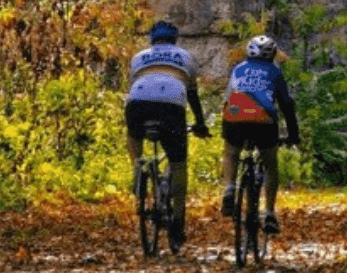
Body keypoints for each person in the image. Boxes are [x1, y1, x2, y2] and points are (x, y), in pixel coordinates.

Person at [125, 20, 210, 250]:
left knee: (133, 134)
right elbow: (192, 95)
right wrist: (200, 123)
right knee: (179, 163)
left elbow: (133, 86)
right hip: (171, 105)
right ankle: (178, 225)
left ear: (152, 39)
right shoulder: (185, 56)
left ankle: (137, 167)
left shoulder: (138, 57)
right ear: (174, 39)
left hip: (138, 101)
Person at [220, 34, 300, 235]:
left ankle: (230, 188)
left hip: (235, 116)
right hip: (263, 120)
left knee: (231, 152)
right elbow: (286, 104)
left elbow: (227, 98)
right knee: (270, 165)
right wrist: (293, 134)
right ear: (272, 55)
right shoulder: (274, 71)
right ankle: (270, 213)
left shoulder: (238, 69)